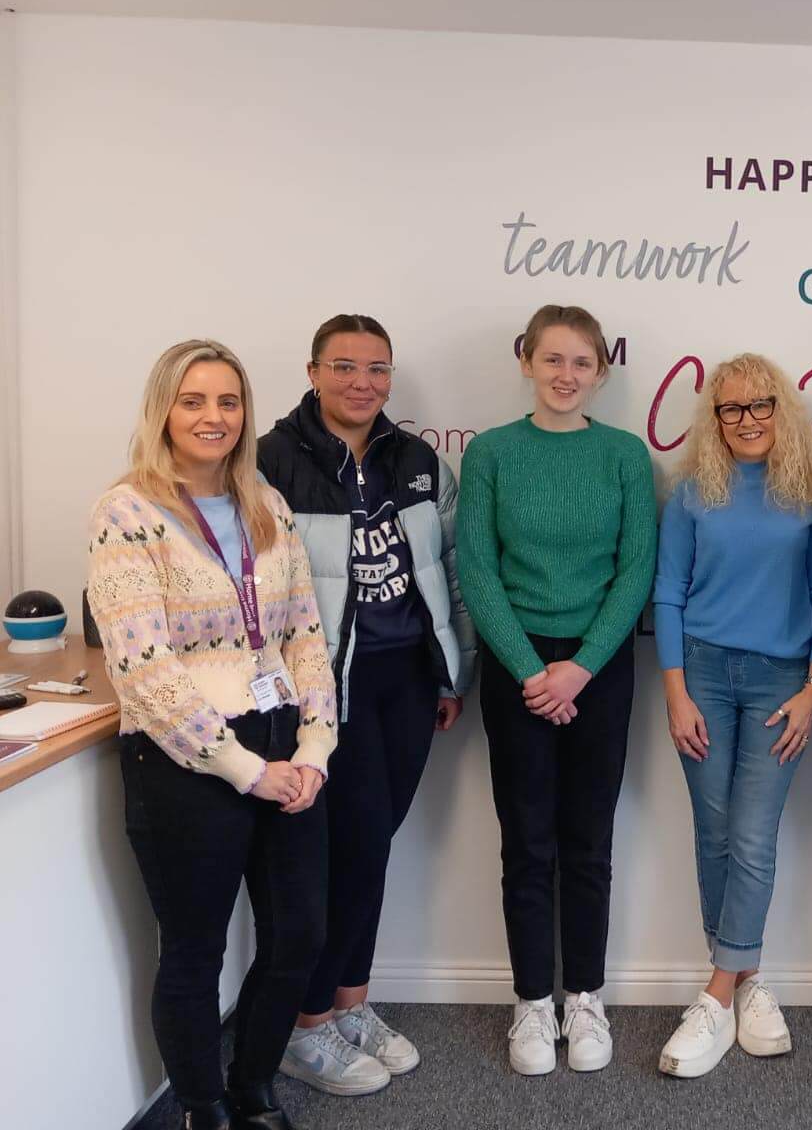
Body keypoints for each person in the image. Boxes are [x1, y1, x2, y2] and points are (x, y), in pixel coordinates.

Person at [86, 340, 337, 1130]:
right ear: (163, 410)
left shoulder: (267, 505)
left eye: (228, 402)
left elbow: (305, 637)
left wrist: (313, 749)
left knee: (299, 935)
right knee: (195, 950)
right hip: (184, 756)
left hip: (281, 738)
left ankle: (253, 1087)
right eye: (193, 400)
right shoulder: (126, 513)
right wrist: (243, 769)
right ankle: (205, 1108)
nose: (213, 417)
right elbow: (144, 669)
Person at [258, 314, 476, 1096]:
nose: (362, 383)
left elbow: (450, 571)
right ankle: (306, 1023)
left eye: (377, 368)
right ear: (313, 371)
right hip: (326, 690)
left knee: (373, 843)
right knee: (351, 850)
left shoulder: (416, 460)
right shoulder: (271, 462)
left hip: (406, 681)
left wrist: (452, 674)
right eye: (345, 366)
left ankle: (350, 1004)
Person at [456, 304, 656, 1077]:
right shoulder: (491, 453)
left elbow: (635, 570)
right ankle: (533, 1002)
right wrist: (531, 669)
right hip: (517, 670)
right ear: (527, 362)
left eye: (581, 362)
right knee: (527, 842)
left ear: (601, 372)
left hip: (599, 669)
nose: (566, 375)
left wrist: (581, 666)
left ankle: (585, 997)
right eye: (552, 359)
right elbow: (477, 567)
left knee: (589, 842)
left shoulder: (624, 455)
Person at [653, 354, 812, 1077]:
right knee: (715, 832)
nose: (747, 419)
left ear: (781, 409)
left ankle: (715, 994)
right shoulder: (693, 492)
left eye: (760, 404)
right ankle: (747, 980)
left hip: (781, 685)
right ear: (715, 418)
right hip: (701, 673)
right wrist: (675, 692)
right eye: (731, 408)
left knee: (753, 835)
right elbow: (668, 592)